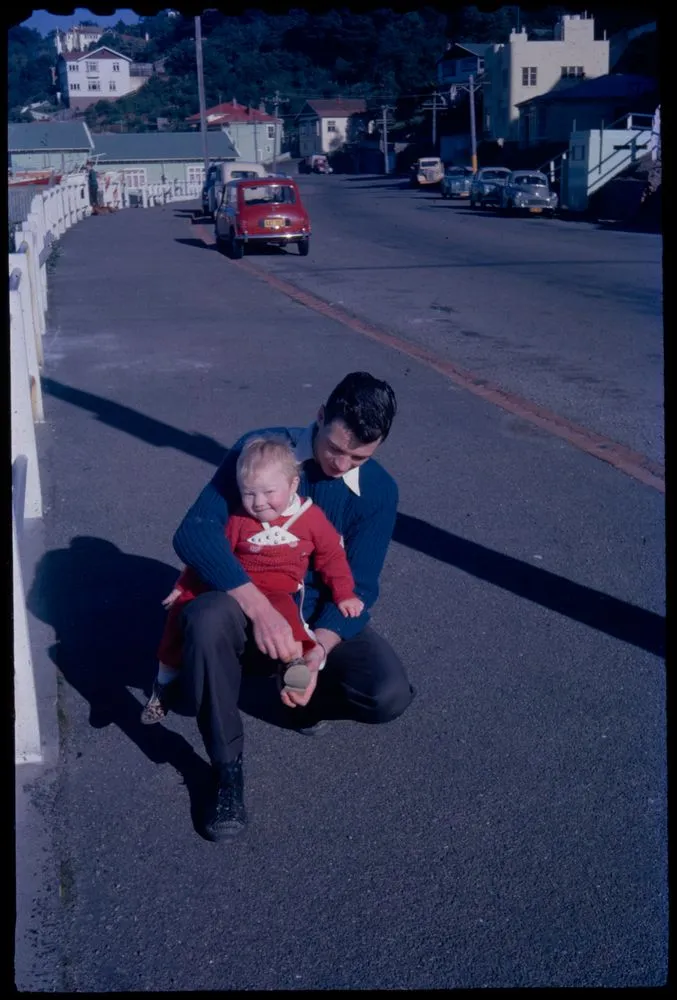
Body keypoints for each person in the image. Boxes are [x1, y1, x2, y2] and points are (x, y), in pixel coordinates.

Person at [171, 371, 414, 841]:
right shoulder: (261, 452)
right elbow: (194, 532)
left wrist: (318, 649)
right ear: (320, 417)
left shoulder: (379, 492)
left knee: (389, 693)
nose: (341, 464)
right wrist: (258, 608)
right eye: (334, 448)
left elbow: (360, 588)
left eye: (359, 455)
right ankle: (226, 769)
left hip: (313, 618)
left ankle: (301, 702)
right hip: (249, 598)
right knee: (203, 619)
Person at [141, 435, 364, 723]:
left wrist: (344, 592)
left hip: (278, 592)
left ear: (293, 484)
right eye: (249, 494)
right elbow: (211, 556)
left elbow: (331, 557)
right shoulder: (239, 520)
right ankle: (165, 679)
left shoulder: (312, 519)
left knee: (290, 622)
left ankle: (294, 668)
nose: (258, 503)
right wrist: (184, 585)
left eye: (269, 492)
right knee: (179, 613)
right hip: (235, 589)